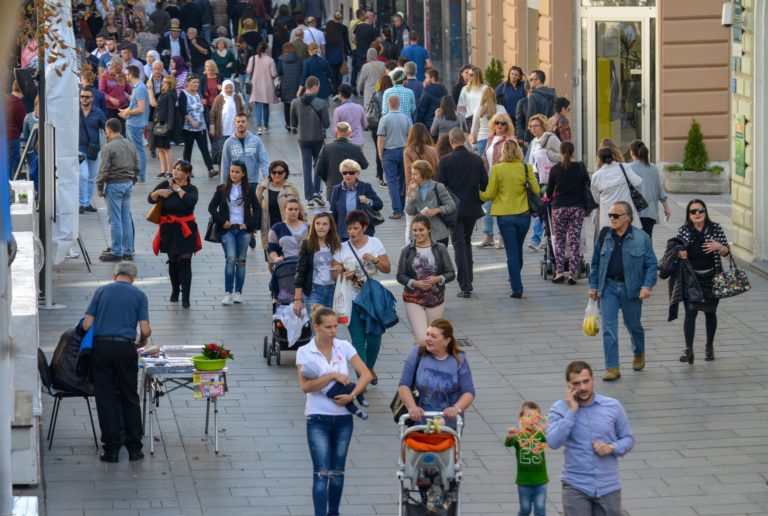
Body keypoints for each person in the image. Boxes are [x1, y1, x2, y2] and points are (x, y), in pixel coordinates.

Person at [296, 306, 372, 516]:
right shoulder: (305, 352)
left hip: (343, 420)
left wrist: (352, 396)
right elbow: (305, 386)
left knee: (338, 472)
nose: (333, 331)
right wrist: (331, 376)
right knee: (321, 472)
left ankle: (334, 513)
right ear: (317, 327)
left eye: (335, 326)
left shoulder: (344, 346)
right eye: (328, 327)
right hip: (317, 418)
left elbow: (365, 374)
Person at [82, 261, 151, 463]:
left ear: (115, 275)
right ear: (133, 277)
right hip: (125, 348)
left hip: (101, 348)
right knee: (129, 396)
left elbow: (87, 324)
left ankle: (111, 450)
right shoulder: (139, 295)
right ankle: (134, 449)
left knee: (105, 397)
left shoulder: (101, 291)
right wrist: (142, 342)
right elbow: (145, 329)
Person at [547, 361, 635, 514]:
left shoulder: (612, 406)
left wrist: (612, 447)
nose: (582, 387)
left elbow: (628, 439)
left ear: (593, 379)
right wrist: (572, 411)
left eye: (586, 381)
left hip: (608, 486)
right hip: (576, 486)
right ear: (569, 386)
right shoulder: (559, 408)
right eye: (576, 383)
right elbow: (553, 442)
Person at [588, 201, 657, 381]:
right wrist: (593, 286)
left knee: (633, 325)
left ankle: (639, 352)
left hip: (631, 288)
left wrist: (646, 286)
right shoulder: (604, 235)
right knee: (608, 328)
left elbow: (651, 265)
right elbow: (595, 263)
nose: (612, 219)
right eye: (611, 215)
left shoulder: (641, 238)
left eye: (616, 216)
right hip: (608, 287)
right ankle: (612, 367)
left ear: (627, 217)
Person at [332, 210, 392, 380]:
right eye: (349, 228)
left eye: (355, 228)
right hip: (351, 300)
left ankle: (368, 368)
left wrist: (375, 260)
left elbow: (387, 269)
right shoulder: (342, 248)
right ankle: (364, 377)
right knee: (358, 340)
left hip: (372, 299)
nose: (352, 232)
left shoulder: (375, 243)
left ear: (364, 228)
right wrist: (342, 273)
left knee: (374, 339)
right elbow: (334, 274)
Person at [480, 139, 540, 298]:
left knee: (512, 251)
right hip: (524, 214)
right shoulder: (525, 168)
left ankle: (517, 286)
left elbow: (490, 194)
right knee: (518, 248)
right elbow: (536, 189)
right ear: (519, 152)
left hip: (505, 216)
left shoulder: (497, 169)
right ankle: (515, 277)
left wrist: (478, 193)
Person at [674, 199, 730, 363]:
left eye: (700, 210)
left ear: (705, 212)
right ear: (689, 215)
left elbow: (727, 252)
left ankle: (709, 347)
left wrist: (718, 247)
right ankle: (689, 350)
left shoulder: (715, 229)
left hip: (712, 278)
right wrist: (680, 254)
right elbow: (676, 251)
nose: (697, 214)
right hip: (692, 279)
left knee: (710, 312)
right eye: (693, 212)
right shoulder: (684, 231)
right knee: (690, 313)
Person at [437, 128, 488, 297]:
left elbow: (440, 187)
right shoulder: (476, 160)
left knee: (459, 244)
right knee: (466, 242)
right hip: (472, 208)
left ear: (451, 141)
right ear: (464, 139)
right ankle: (468, 280)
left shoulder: (445, 161)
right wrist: (478, 201)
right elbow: (484, 184)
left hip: (453, 210)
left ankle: (465, 285)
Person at [398, 319, 475, 426]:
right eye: (427, 334)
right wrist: (412, 408)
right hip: (420, 420)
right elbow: (404, 385)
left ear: (446, 341)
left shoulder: (459, 359)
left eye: (434, 336)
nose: (428, 339)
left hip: (448, 422)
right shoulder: (417, 353)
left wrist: (456, 408)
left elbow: (468, 392)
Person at [148, 159, 201, 308]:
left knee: (185, 262)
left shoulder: (191, 188)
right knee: (173, 262)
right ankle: (175, 290)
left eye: (179, 169)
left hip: (186, 230)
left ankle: (186, 297)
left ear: (187, 174)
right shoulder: (165, 184)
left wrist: (177, 189)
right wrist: (157, 193)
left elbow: (190, 202)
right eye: (175, 168)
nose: (175, 171)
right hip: (169, 230)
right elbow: (150, 199)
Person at [396, 215, 455, 344]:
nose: (418, 233)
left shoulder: (440, 248)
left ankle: (424, 363)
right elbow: (400, 275)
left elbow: (451, 273)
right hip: (413, 298)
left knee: (433, 340)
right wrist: (414, 283)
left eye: (421, 230)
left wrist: (438, 279)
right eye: (415, 230)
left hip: (435, 298)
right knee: (422, 338)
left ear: (429, 230)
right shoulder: (407, 251)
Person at [209, 160, 261, 305]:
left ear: (243, 173)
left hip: (243, 230)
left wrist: (249, 225)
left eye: (237, 172)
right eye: (232, 171)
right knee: (231, 259)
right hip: (227, 230)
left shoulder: (249, 190)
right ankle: (228, 292)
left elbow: (257, 209)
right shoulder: (221, 189)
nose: (234, 174)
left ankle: (238, 292)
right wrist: (222, 221)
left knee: (241, 261)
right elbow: (211, 208)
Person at [546, 142, 590, 284]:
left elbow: (548, 191)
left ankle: (559, 272)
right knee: (574, 240)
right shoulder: (580, 167)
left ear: (560, 152)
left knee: (559, 240)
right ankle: (572, 274)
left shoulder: (555, 169)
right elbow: (587, 184)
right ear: (573, 152)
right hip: (577, 208)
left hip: (559, 208)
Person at [97, 118, 139, 262]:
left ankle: (116, 251)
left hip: (114, 184)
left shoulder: (108, 147)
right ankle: (128, 250)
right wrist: (133, 179)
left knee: (115, 220)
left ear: (108, 130)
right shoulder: (129, 144)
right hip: (127, 183)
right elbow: (137, 164)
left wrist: (99, 187)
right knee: (126, 218)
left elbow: (103, 169)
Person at [291, 76, 331, 208]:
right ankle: (317, 192)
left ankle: (308, 197)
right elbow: (326, 124)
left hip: (303, 139)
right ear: (314, 87)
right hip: (317, 139)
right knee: (318, 165)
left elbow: (292, 124)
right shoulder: (321, 103)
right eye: (318, 87)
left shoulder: (295, 102)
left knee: (306, 167)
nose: (318, 89)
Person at [478, 112, 516, 249]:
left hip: (503, 177)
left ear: (507, 126)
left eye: (503, 123)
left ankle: (502, 237)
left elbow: (514, 157)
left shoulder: (510, 140)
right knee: (487, 208)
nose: (499, 125)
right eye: (497, 123)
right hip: (489, 176)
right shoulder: (489, 139)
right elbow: (484, 156)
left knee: (502, 209)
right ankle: (488, 236)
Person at [504, 401, 549, 516]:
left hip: (541, 481)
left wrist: (550, 429)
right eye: (528, 416)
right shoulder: (519, 434)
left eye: (535, 417)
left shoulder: (541, 435)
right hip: (524, 482)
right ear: (521, 417)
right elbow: (508, 444)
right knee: (525, 509)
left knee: (540, 509)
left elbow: (552, 440)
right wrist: (509, 437)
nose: (531, 420)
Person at [294, 212, 343, 315]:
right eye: (318, 223)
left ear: (330, 227)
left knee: (329, 327)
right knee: (317, 325)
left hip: (333, 290)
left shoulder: (337, 244)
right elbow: (300, 271)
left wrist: (341, 269)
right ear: (313, 225)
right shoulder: (307, 244)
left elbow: (344, 265)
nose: (321, 227)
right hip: (314, 290)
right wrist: (297, 299)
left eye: (325, 224)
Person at [525, 113, 561, 251]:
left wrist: (548, 155)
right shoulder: (534, 141)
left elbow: (562, 155)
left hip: (549, 178)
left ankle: (541, 238)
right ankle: (540, 238)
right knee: (541, 208)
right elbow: (530, 161)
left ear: (543, 126)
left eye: (536, 126)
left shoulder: (551, 138)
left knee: (545, 207)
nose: (533, 129)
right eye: (531, 126)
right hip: (536, 177)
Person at [255, 160, 305, 255]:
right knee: (271, 261)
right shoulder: (262, 188)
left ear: (285, 173)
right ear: (270, 173)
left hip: (288, 229)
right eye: (274, 172)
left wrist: (305, 225)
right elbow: (254, 208)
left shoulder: (291, 188)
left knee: (287, 258)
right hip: (269, 229)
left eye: (280, 172)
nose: (277, 175)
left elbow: (300, 208)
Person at [404, 160, 456, 246]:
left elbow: (451, 206)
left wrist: (438, 210)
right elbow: (410, 211)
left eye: (415, 174)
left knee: (438, 258)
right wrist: (412, 194)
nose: (412, 177)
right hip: (419, 234)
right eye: (412, 174)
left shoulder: (438, 187)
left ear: (424, 174)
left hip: (438, 232)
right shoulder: (412, 188)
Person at [377, 95, 413, 220]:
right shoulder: (406, 118)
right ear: (398, 104)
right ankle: (402, 205)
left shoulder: (384, 119)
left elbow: (381, 137)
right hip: (403, 151)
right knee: (402, 180)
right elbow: (410, 136)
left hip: (389, 152)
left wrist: (380, 153)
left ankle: (397, 210)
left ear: (388, 104)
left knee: (391, 181)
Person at [590, 147, 643, 231]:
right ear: (612, 156)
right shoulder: (624, 167)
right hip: (625, 211)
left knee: (610, 239)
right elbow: (638, 182)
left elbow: (596, 199)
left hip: (608, 215)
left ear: (599, 159)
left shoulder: (597, 175)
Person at [329, 159, 383, 240]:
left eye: (351, 173)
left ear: (357, 173)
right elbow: (333, 213)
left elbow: (379, 204)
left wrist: (368, 201)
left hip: (363, 232)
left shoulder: (365, 187)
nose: (348, 175)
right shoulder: (337, 189)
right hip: (343, 233)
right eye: (344, 173)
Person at [315, 122, 369, 200]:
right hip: (352, 189)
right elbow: (365, 165)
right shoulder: (355, 148)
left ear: (336, 133)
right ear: (350, 133)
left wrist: (328, 179)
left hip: (332, 189)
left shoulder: (327, 148)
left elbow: (318, 170)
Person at [629, 139, 670, 238]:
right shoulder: (653, 168)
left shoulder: (628, 167)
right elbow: (660, 191)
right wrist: (666, 208)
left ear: (632, 152)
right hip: (649, 211)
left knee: (633, 240)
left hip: (632, 211)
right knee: (647, 240)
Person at [178, 74, 216, 177]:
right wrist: (191, 121)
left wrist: (203, 103)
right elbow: (182, 110)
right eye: (194, 82)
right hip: (188, 127)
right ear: (188, 83)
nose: (196, 84)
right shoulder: (183, 94)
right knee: (188, 149)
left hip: (201, 126)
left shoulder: (199, 93)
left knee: (204, 148)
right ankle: (187, 171)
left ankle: (211, 169)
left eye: (197, 82)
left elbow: (202, 107)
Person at [220, 112, 269, 186]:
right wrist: (224, 184)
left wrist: (267, 178)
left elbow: (263, 161)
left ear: (247, 123)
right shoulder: (228, 142)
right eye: (238, 121)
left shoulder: (256, 140)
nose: (240, 124)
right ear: (234, 124)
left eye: (243, 121)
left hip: (252, 182)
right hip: (235, 183)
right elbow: (225, 164)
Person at [118, 66, 149, 183]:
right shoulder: (137, 87)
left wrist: (127, 112)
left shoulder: (140, 88)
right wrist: (125, 111)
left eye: (126, 74)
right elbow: (135, 106)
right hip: (132, 122)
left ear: (131, 74)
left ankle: (140, 175)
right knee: (132, 150)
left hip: (136, 124)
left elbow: (141, 109)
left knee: (138, 150)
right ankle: (134, 173)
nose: (126, 76)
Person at [78, 87, 107, 214]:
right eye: (82, 96)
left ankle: (87, 202)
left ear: (92, 99)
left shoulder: (98, 112)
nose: (83, 99)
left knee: (92, 178)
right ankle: (81, 203)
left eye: (86, 97)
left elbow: (106, 128)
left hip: (94, 149)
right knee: (83, 175)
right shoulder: (74, 111)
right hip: (79, 149)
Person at [209, 79, 244, 175]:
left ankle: (233, 172)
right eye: (227, 88)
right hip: (222, 131)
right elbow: (212, 113)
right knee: (222, 153)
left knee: (234, 152)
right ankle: (222, 172)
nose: (229, 90)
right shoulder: (219, 98)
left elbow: (241, 111)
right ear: (224, 88)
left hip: (234, 131)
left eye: (231, 87)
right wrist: (212, 127)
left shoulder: (237, 97)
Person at [148, 75, 178, 178]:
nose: (162, 83)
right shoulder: (162, 94)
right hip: (158, 122)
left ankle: (170, 170)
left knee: (166, 148)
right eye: (163, 82)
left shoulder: (170, 95)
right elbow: (153, 103)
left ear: (169, 84)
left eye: (165, 82)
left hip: (164, 123)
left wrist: (170, 126)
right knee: (160, 147)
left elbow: (171, 111)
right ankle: (163, 170)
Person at [246, 42, 278, 134]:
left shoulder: (252, 59)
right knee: (266, 105)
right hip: (267, 85)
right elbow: (274, 74)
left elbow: (248, 71)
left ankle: (259, 126)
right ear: (266, 49)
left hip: (255, 85)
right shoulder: (270, 60)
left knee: (258, 106)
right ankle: (266, 126)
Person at [368, 74, 393, 187]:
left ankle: (380, 175)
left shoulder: (375, 94)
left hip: (376, 126)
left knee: (379, 151)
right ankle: (388, 174)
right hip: (389, 125)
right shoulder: (392, 95)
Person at [268, 198, 309, 264]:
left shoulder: (308, 227)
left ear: (299, 211)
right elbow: (272, 248)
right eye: (290, 209)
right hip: (285, 264)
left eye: (296, 209)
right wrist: (276, 258)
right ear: (284, 211)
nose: (293, 212)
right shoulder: (276, 228)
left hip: (305, 264)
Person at [470, 86, 506, 156]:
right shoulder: (501, 109)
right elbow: (507, 125)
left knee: (483, 165)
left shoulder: (478, 110)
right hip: (497, 140)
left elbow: (474, 129)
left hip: (482, 140)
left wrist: (474, 140)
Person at [277, 42, 303, 131]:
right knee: (296, 105)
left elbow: (279, 71)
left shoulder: (281, 59)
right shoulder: (299, 59)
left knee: (287, 106)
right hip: (296, 85)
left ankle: (288, 124)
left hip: (285, 85)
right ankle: (295, 125)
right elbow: (302, 71)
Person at [99, 57, 131, 131]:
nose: (122, 67)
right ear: (114, 66)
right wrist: (110, 98)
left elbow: (128, 89)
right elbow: (101, 92)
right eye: (121, 66)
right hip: (110, 109)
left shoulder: (123, 75)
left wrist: (131, 94)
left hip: (123, 107)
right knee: (112, 130)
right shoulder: (105, 76)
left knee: (123, 130)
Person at [324, 11, 351, 95]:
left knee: (333, 73)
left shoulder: (329, 30)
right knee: (340, 73)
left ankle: (334, 89)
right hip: (341, 53)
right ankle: (338, 88)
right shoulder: (343, 28)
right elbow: (346, 41)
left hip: (330, 55)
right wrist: (349, 50)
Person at [351, 11, 379, 89]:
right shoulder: (373, 29)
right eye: (373, 18)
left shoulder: (358, 27)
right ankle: (364, 88)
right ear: (371, 18)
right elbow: (379, 41)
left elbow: (353, 39)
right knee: (369, 71)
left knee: (360, 71)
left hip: (359, 52)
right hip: (369, 54)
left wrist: (359, 44)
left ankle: (356, 86)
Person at [5, 81, 26, 176]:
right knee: (13, 165)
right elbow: (23, 125)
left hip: (4, 137)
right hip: (12, 139)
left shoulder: (6, 100)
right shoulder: (19, 104)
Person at [356, 47, 386, 112]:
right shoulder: (383, 65)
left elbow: (360, 83)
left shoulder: (365, 67)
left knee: (369, 113)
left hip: (369, 94)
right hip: (381, 93)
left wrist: (361, 88)